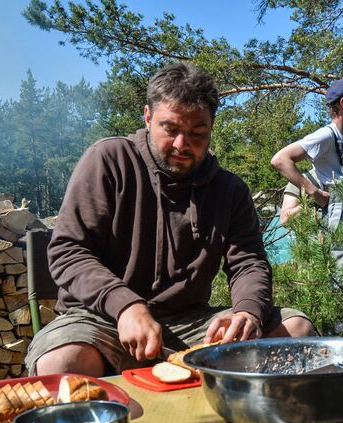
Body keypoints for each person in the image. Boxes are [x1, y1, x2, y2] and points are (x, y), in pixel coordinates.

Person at [25, 62, 316, 378]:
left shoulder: (228, 189)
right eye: (171, 129)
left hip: (191, 323)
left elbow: (248, 262)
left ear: (211, 127)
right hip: (100, 319)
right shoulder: (109, 160)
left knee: (296, 330)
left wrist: (247, 311)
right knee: (62, 362)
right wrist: (125, 306)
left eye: (197, 133)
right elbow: (69, 251)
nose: (182, 144)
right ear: (148, 117)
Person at [272, 77, 343, 236]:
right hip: (335, 213)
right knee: (341, 259)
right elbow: (280, 160)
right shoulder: (326, 136)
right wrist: (315, 194)